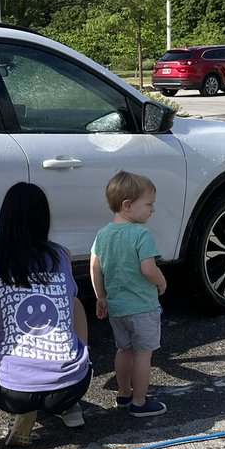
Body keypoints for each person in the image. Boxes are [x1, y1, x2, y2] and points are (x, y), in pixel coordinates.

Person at [0, 183, 92, 447]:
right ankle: (70, 407)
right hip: (73, 385)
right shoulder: (62, 255)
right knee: (75, 304)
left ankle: (25, 407)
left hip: (12, 392)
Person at [90, 169, 168, 418]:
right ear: (128, 205)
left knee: (124, 350)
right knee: (144, 355)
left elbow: (95, 266)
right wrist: (161, 282)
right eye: (148, 204)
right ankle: (139, 400)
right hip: (142, 307)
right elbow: (148, 268)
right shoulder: (141, 234)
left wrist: (100, 296)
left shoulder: (103, 234)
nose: (152, 210)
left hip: (117, 308)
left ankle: (123, 393)